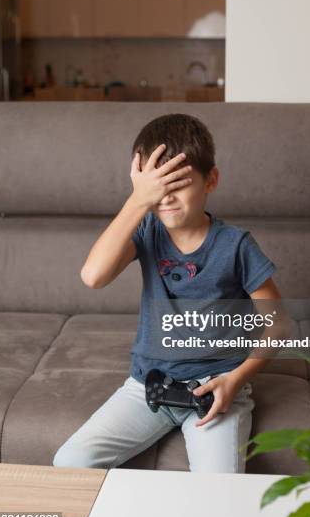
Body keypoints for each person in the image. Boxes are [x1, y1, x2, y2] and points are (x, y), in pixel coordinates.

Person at [52, 113, 281, 473]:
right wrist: (138, 200)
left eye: (179, 183)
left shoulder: (236, 245)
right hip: (147, 385)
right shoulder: (146, 230)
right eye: (157, 186)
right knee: (70, 462)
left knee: (218, 493)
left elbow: (278, 326)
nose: (166, 197)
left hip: (215, 387)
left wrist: (235, 380)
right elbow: (93, 276)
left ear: (211, 180)